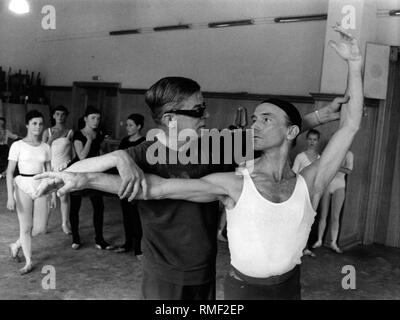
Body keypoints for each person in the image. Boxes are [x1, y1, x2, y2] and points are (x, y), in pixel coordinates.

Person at [34, 33, 351, 300]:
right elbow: (78, 170)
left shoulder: (214, 146)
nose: (207, 116)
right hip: (163, 274)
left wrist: (322, 116)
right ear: (170, 119)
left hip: (205, 269)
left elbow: (274, 134)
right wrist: (120, 157)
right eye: (198, 110)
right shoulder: (144, 153)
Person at [6, 110, 55, 275]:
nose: (38, 127)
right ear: (27, 124)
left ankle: (16, 245)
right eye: (34, 123)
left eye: (41, 123)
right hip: (23, 186)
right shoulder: (17, 145)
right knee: (25, 227)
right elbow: (10, 172)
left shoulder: (46, 147)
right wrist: (10, 197)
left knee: (40, 228)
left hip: (41, 185)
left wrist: (54, 193)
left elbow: (50, 173)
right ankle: (28, 261)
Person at [69, 105, 114, 250]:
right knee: (75, 206)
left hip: (94, 173)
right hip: (79, 171)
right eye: (93, 118)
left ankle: (99, 239)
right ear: (85, 119)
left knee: (99, 206)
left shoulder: (99, 133)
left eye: (98, 118)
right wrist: (89, 140)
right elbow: (81, 156)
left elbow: (99, 153)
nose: (96, 121)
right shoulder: (78, 134)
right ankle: (76, 238)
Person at [115, 113, 146, 254]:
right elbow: (118, 160)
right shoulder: (124, 141)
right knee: (126, 215)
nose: (127, 127)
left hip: (137, 184)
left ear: (139, 126)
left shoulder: (144, 142)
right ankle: (127, 244)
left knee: (136, 217)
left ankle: (139, 248)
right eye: (127, 124)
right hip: (124, 182)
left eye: (131, 125)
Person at [312, 150, 354, 254]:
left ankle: (333, 242)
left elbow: (349, 170)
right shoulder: (330, 151)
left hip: (339, 186)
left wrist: (335, 166)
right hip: (327, 185)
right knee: (323, 215)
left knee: (336, 216)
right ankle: (319, 240)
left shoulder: (348, 154)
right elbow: (322, 167)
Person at [42, 105, 73, 235]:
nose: (60, 117)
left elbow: (72, 151)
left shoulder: (70, 131)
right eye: (57, 114)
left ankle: (65, 223)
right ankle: (44, 224)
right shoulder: (47, 131)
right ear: (54, 116)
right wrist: (51, 139)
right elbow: (42, 151)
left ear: (66, 116)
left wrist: (70, 165)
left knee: (64, 197)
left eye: (63, 114)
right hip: (50, 167)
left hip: (64, 167)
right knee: (49, 197)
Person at [292, 129, 321, 258]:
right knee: (299, 219)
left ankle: (306, 247)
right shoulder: (300, 157)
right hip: (301, 191)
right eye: (310, 139)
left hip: (314, 192)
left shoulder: (320, 158)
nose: (312, 142)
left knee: (310, 219)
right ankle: (295, 248)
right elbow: (293, 174)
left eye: (314, 140)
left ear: (318, 142)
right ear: (306, 140)